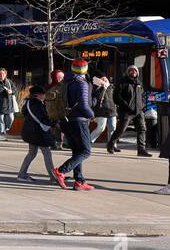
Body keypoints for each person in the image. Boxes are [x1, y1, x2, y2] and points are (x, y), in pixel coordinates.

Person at [53, 58, 96, 191]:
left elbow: (86, 101)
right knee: (86, 151)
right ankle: (61, 171)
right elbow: (84, 105)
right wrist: (91, 115)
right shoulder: (81, 83)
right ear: (85, 69)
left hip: (68, 120)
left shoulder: (67, 81)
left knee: (77, 151)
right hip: (80, 121)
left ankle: (79, 181)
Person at [109, 65, 153, 157]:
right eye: (131, 71)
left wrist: (142, 106)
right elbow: (116, 97)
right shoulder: (122, 82)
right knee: (121, 129)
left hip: (139, 111)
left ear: (137, 73)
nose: (133, 72)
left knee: (142, 129)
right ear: (127, 72)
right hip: (127, 111)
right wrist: (126, 105)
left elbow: (142, 96)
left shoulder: (139, 83)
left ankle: (141, 150)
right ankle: (111, 144)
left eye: (135, 71)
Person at [17, 86, 56, 183]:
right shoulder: (37, 105)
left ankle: (22, 174)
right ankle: (54, 177)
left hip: (31, 132)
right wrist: (54, 123)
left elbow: (25, 114)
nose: (44, 96)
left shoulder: (29, 103)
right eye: (43, 94)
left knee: (32, 153)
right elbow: (42, 119)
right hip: (38, 133)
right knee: (47, 153)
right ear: (38, 95)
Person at [43, 69, 67, 150]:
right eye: (59, 77)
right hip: (53, 112)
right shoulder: (50, 88)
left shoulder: (65, 86)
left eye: (63, 77)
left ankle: (60, 143)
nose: (61, 79)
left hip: (63, 111)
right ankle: (55, 144)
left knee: (60, 128)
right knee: (55, 127)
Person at [0, 68, 17, 140]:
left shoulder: (9, 81)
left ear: (5, 74)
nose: (2, 75)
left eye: (3, 74)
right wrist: (3, 88)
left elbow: (15, 90)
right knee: (0, 120)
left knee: (11, 118)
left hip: (9, 104)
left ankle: (6, 129)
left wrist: (11, 91)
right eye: (0, 74)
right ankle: (1, 135)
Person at [90, 75, 116, 144]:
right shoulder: (96, 88)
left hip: (112, 110)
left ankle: (112, 145)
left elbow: (115, 98)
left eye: (105, 79)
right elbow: (97, 99)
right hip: (101, 111)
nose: (105, 80)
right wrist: (103, 87)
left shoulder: (111, 87)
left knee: (113, 128)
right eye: (102, 79)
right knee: (101, 128)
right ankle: (89, 141)